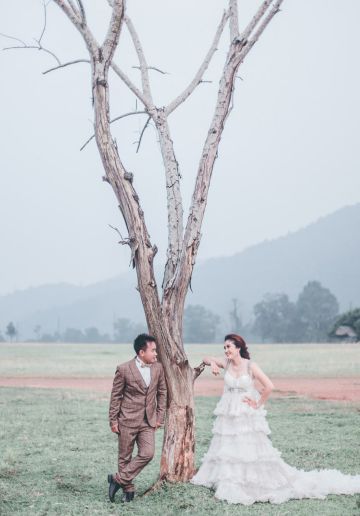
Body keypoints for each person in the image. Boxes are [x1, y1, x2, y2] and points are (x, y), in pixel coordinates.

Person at [191, 333, 360, 505]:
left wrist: (257, 404)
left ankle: (249, 479)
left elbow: (269, 386)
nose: (226, 350)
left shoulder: (250, 366)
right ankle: (229, 476)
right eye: (224, 347)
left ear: (238, 348)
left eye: (229, 347)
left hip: (245, 412)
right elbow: (205, 358)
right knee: (228, 445)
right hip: (228, 411)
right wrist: (212, 363)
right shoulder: (225, 363)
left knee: (247, 446)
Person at [107, 333, 167, 503]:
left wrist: (159, 416)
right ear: (142, 352)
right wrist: (113, 420)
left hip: (149, 421)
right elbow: (116, 396)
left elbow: (162, 393)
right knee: (124, 456)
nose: (156, 354)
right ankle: (128, 490)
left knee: (148, 453)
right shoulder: (123, 369)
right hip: (126, 419)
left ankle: (117, 479)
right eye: (153, 350)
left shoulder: (158, 368)